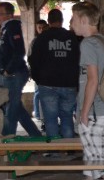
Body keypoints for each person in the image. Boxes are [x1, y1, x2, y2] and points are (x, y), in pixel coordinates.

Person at [71, 1, 104, 177]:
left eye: (74, 19)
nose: (71, 23)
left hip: (94, 111)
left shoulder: (88, 44)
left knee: (98, 164)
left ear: (83, 20)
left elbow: (92, 80)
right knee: (94, 162)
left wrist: (84, 112)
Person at [28, 8, 80, 138]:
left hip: (47, 83)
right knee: (67, 117)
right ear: (62, 20)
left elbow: (33, 61)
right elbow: (79, 60)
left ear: (48, 21)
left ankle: (55, 147)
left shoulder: (41, 38)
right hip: (69, 83)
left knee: (50, 119)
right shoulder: (72, 37)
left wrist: (38, 79)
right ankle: (68, 146)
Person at [0, 2, 41, 138]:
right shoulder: (6, 28)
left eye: (0, 14)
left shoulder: (12, 27)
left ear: (9, 15)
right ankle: (36, 135)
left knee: (11, 108)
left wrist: (8, 70)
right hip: (11, 73)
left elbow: (19, 51)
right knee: (17, 108)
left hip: (14, 74)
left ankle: (8, 137)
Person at [31, 19, 48, 122]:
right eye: (39, 28)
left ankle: (41, 115)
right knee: (38, 93)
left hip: (46, 72)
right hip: (39, 71)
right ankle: (38, 114)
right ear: (36, 29)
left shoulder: (48, 39)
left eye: (43, 27)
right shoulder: (35, 41)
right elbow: (30, 55)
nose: (41, 30)